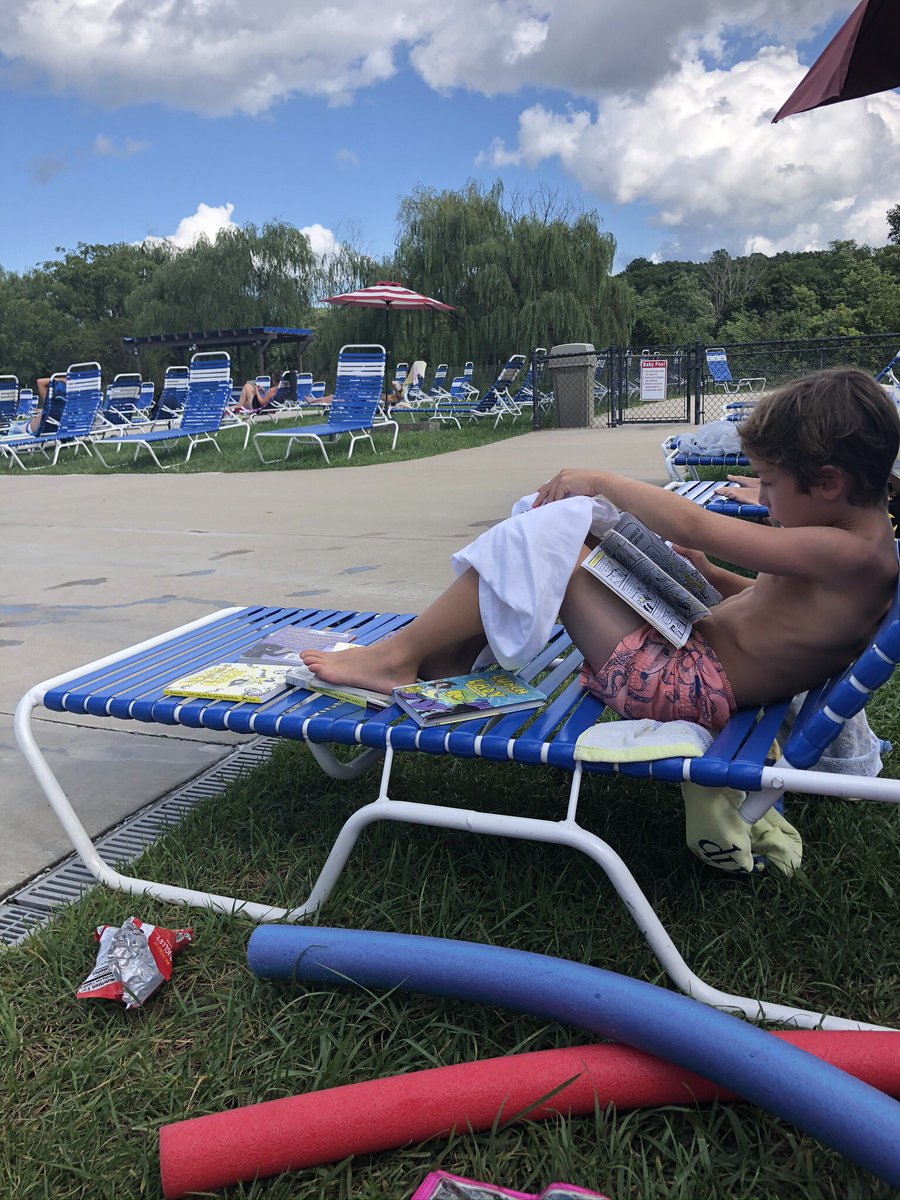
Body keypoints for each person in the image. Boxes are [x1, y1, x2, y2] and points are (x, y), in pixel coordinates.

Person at [300, 369, 900, 733]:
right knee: (578, 531)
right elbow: (782, 610)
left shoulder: (851, 554)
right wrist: (711, 575)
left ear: (828, 483)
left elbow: (704, 523)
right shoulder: (857, 545)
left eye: (768, 482)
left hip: (682, 685)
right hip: (690, 643)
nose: (761, 496)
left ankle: (397, 657)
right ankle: (452, 650)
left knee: (557, 533)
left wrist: (603, 481)